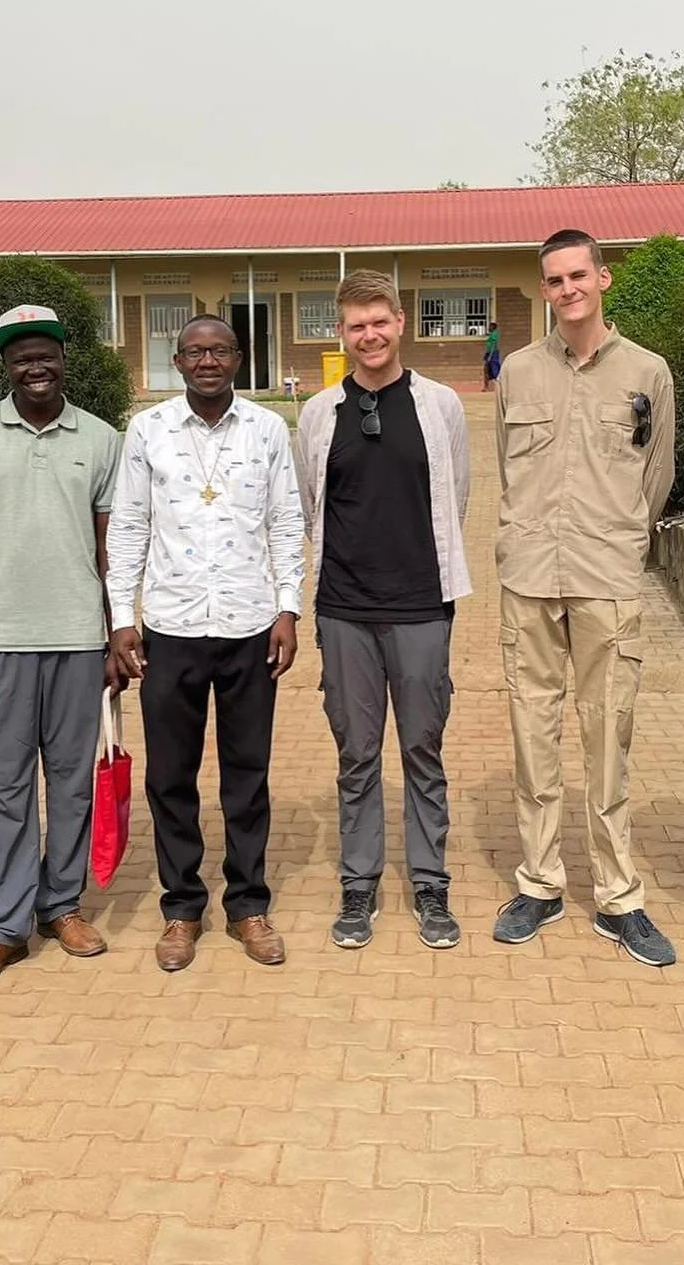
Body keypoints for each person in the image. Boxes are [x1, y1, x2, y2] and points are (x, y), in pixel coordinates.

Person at [494, 229, 677, 965]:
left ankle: (617, 898)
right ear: (544, 290)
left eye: (579, 276)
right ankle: (539, 884)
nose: (567, 289)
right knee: (532, 736)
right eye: (554, 280)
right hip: (531, 578)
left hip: (606, 579)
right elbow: (509, 476)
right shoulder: (517, 372)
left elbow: (657, 474)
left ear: (603, 279)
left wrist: (623, 542)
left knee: (609, 741)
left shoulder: (648, 371)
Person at [107, 316, 304, 972]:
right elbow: (130, 524)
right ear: (178, 360)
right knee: (171, 777)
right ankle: (182, 909)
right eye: (195, 351)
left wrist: (287, 608)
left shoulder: (268, 429)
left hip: (250, 624)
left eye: (220, 350)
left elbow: (286, 522)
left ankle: (248, 906)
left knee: (247, 778)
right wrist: (121, 618)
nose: (208, 361)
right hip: (172, 627)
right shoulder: (149, 431)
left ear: (239, 358)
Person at [0, 305, 121, 991]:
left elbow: (112, 549)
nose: (34, 365)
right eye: (21, 356)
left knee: (72, 783)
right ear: (5, 364)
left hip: (79, 638)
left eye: (45, 353)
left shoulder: (101, 439)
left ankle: (61, 906)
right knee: (4, 788)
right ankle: (2, 927)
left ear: (62, 358)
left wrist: (114, 634)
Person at [296, 270, 470, 950]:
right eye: (355, 325)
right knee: (356, 752)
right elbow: (313, 508)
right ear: (341, 333)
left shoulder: (441, 405)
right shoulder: (317, 414)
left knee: (423, 749)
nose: (369, 335)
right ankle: (358, 884)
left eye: (380, 321)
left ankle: (430, 884)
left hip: (423, 606)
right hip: (343, 609)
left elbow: (456, 498)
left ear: (400, 322)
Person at [483, 320, 502, 390]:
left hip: (493, 353)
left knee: (494, 370)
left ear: (493, 327)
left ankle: (494, 386)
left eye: (490, 327)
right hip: (489, 353)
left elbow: (494, 345)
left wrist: (490, 356)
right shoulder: (492, 334)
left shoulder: (494, 334)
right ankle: (487, 386)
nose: (488, 328)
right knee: (486, 369)